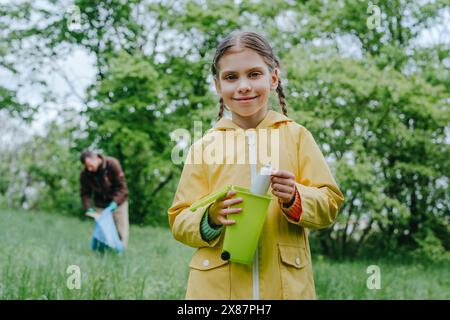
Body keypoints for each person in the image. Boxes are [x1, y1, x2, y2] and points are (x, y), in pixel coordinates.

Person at [168, 30, 344, 299]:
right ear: (218, 86)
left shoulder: (296, 137)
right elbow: (180, 218)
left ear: (273, 78)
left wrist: (296, 197)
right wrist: (211, 217)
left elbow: (329, 202)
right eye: (231, 77)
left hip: (286, 288)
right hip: (217, 291)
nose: (243, 86)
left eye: (254, 74)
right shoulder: (204, 147)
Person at [80, 150, 129, 249]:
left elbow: (122, 188)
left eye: (90, 165)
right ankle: (103, 253)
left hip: (118, 203)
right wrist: (88, 208)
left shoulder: (112, 164)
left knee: (121, 230)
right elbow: (85, 193)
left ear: (96, 159)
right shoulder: (85, 174)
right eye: (86, 166)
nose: (89, 169)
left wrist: (115, 203)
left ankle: (121, 252)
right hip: (100, 204)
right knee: (103, 231)